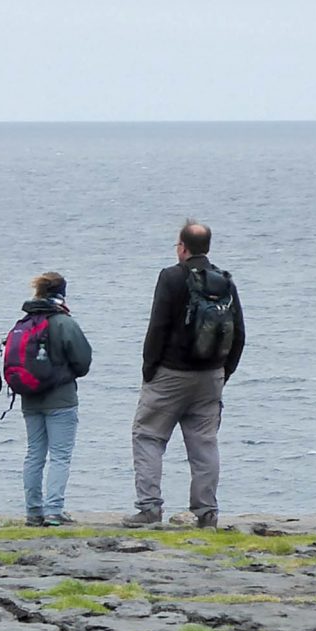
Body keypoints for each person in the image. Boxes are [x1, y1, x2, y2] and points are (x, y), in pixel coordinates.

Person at [130, 219, 244, 528]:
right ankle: (206, 512)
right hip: (211, 377)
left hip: (170, 374)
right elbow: (239, 334)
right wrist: (224, 372)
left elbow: (158, 327)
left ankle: (150, 509)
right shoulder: (224, 281)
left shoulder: (170, 277)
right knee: (204, 444)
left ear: (182, 247)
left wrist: (149, 370)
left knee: (148, 436)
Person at [1, 271, 94, 526]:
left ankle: (33, 511)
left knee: (34, 454)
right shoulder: (65, 323)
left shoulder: (24, 322)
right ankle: (53, 510)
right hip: (61, 400)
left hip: (30, 399)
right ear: (62, 293)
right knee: (60, 456)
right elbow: (83, 361)